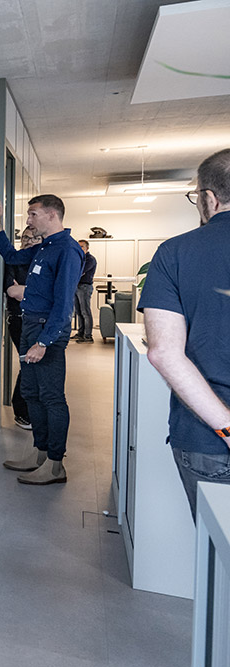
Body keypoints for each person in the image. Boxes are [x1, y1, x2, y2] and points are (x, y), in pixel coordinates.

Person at [140, 148, 230, 519]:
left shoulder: (175, 252)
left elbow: (164, 352)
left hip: (207, 439)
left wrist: (227, 428)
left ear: (208, 198)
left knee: (218, 550)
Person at [0, 194, 83, 485]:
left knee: (52, 397)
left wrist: (43, 342)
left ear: (52, 215)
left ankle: (55, 464)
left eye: (33, 214)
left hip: (46, 332)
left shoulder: (67, 250)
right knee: (31, 392)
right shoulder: (46, 246)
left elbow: (64, 303)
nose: (28, 221)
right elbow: (12, 256)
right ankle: (40, 453)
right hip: (30, 324)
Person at [3, 228, 42, 429]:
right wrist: (41, 292)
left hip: (40, 322)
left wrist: (25, 289)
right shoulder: (13, 262)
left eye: (35, 238)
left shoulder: (44, 261)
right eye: (26, 237)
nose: (29, 241)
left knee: (36, 365)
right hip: (19, 321)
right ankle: (21, 411)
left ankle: (31, 407)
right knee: (28, 363)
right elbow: (13, 291)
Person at [72, 239, 97, 343]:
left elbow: (79, 271)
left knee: (85, 312)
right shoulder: (78, 258)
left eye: (82, 246)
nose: (80, 248)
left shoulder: (90, 259)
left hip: (84, 287)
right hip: (76, 287)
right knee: (78, 312)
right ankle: (80, 334)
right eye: (78, 246)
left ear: (87, 248)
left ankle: (88, 336)